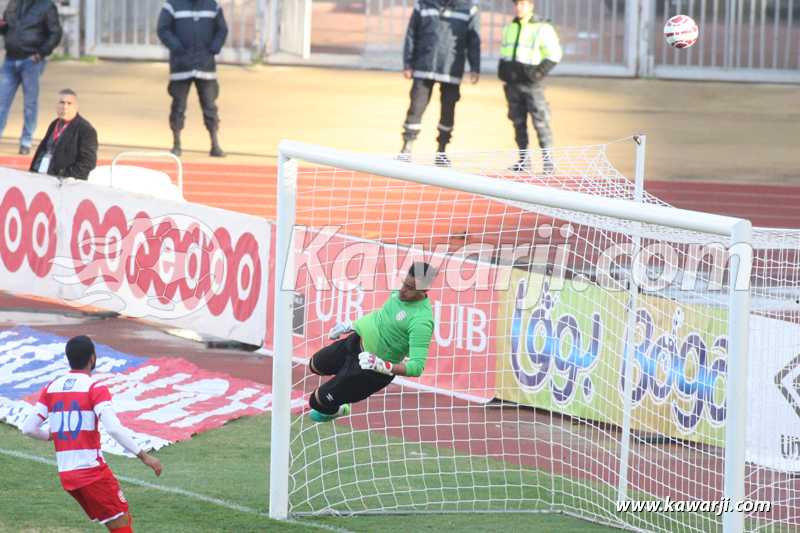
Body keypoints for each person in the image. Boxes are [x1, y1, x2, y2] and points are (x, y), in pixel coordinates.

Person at [21, 335, 162, 533]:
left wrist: (49, 435)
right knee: (121, 526)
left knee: (121, 519)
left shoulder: (50, 388)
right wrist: (144, 455)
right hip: (91, 472)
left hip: (67, 474)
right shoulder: (95, 388)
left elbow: (28, 428)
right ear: (92, 358)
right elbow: (113, 428)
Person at [308, 262, 438, 422]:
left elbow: (417, 367)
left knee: (317, 402)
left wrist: (382, 365)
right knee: (315, 365)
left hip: (370, 371)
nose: (403, 290)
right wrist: (351, 325)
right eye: (404, 282)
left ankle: (337, 410)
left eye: (410, 287)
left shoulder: (422, 321)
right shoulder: (400, 294)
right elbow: (382, 316)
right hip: (355, 343)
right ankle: (340, 381)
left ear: (424, 290)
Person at [399, 0, 480, 167]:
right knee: (416, 107)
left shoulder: (469, 8)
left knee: (448, 112)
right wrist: (408, 63)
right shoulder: (424, 4)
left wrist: (475, 67)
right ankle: (406, 148)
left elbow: (474, 41)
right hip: (424, 65)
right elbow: (411, 33)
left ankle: (441, 151)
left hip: (451, 68)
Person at [157, 0, 228, 158]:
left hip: (205, 66)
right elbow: (163, 29)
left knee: (210, 106)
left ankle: (215, 145)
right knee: (178, 107)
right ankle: (176, 145)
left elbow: (222, 29)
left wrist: (213, 49)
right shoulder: (172, 5)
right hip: (181, 66)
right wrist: (178, 49)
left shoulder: (212, 5)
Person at [498, 0, 562, 174]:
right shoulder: (510, 28)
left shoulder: (542, 28)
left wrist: (538, 74)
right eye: (517, 4)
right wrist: (503, 72)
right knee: (518, 123)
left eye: (523, 4)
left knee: (541, 123)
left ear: (531, 6)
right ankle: (524, 161)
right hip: (513, 84)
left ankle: (548, 163)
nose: (519, 7)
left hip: (532, 85)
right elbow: (505, 54)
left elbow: (554, 54)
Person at [0, 0, 62, 155]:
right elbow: (8, 28)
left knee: (30, 104)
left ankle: (26, 141)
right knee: (2, 102)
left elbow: (55, 32)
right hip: (11, 58)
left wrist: (40, 54)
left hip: (31, 61)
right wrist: (2, 26)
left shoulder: (46, 5)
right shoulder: (14, 3)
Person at [30, 89, 98, 180]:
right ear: (56, 105)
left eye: (69, 103)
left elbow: (88, 163)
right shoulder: (54, 124)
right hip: (43, 179)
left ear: (76, 107)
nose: (65, 107)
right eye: (61, 102)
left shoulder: (86, 129)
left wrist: (65, 178)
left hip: (65, 185)